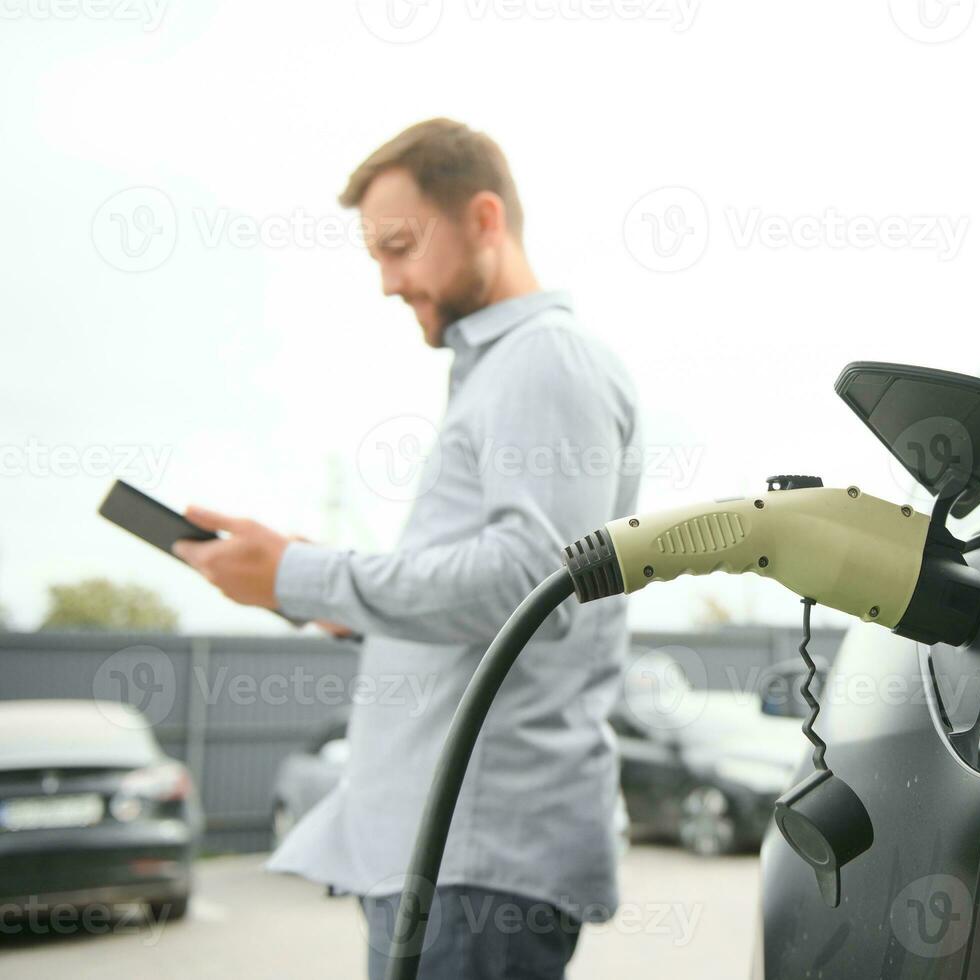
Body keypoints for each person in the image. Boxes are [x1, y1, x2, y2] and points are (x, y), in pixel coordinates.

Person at [172, 118, 640, 980]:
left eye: (400, 247)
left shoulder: (545, 362)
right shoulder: (502, 373)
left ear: (485, 220)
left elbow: (529, 583)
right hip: (445, 860)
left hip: (475, 863)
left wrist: (305, 575)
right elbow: (475, 605)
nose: (387, 282)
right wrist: (333, 605)